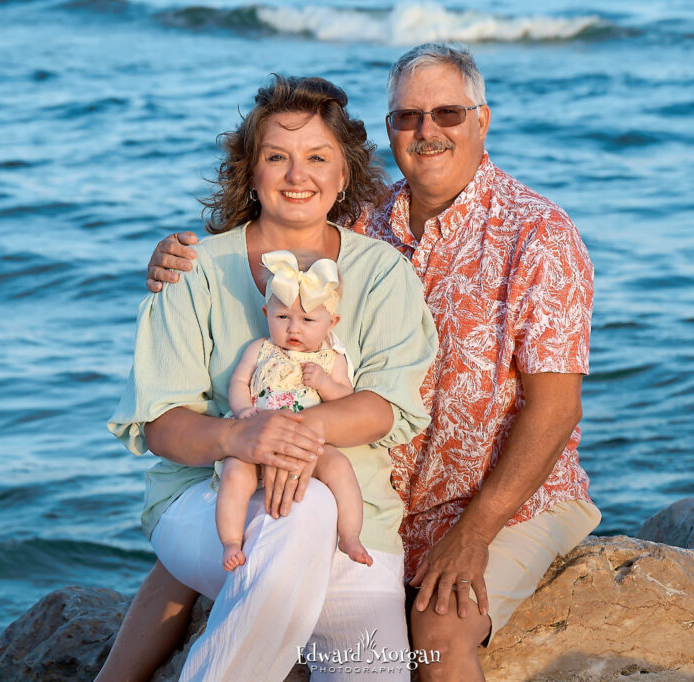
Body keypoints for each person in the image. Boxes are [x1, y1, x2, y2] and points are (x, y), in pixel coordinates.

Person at [143, 43, 602, 681]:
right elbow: (271, 224)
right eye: (407, 116)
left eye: (447, 112)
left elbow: (557, 410)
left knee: (437, 638)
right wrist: (172, 259)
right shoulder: (360, 222)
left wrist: (473, 534)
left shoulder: (538, 235)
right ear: (387, 130)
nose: (426, 130)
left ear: (482, 119)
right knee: (236, 537)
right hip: (369, 498)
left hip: (500, 503)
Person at [99, 74, 436, 681]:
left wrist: (294, 434)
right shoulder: (194, 269)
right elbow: (159, 424)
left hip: (359, 529)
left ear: (344, 175)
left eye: (317, 158)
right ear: (250, 172)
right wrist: (240, 439)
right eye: (276, 157)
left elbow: (388, 407)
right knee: (302, 512)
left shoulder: (384, 273)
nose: (296, 174)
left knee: (375, 670)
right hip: (209, 509)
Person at [221, 249, 373, 570]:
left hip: (310, 447)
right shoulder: (260, 349)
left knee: (340, 468)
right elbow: (238, 381)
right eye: (282, 317)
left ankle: (349, 535)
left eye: (307, 320)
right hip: (257, 441)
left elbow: (346, 398)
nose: (294, 329)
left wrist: (326, 384)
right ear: (266, 312)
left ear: (332, 322)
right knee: (235, 474)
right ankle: (231, 541)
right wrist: (242, 410)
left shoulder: (332, 359)